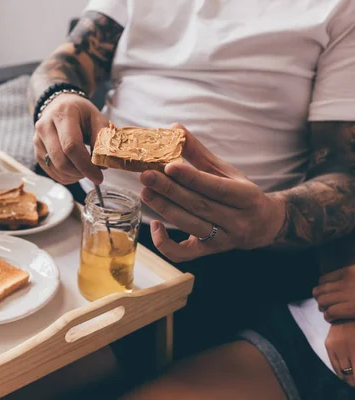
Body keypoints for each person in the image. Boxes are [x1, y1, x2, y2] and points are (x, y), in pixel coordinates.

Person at [27, 0, 355, 398]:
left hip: (219, 251)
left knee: (22, 371)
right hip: (79, 205)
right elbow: (64, 62)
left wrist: (272, 216)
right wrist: (57, 99)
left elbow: (342, 169)